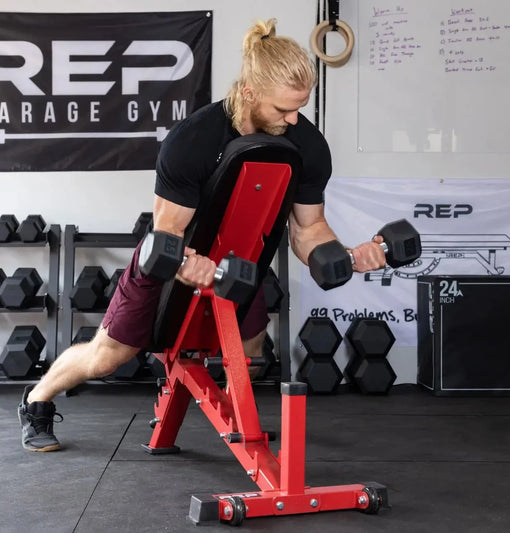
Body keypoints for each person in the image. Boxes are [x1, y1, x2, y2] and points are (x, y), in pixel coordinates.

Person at [18, 18, 386, 452]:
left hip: (241, 263)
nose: (293, 119)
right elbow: (168, 230)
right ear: (249, 92)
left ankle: (236, 421)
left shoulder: (308, 144)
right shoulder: (193, 138)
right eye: (282, 109)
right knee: (107, 357)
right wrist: (189, 261)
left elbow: (308, 229)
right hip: (171, 257)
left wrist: (346, 254)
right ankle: (37, 400)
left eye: (299, 107)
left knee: (250, 354)